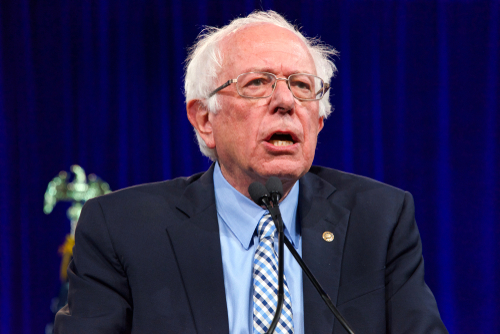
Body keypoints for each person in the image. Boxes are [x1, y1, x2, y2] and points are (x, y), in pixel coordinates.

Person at [55, 10, 447, 334]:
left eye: (301, 85)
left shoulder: (380, 220)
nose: (285, 101)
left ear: (318, 122)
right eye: (258, 83)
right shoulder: (121, 227)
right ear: (204, 119)